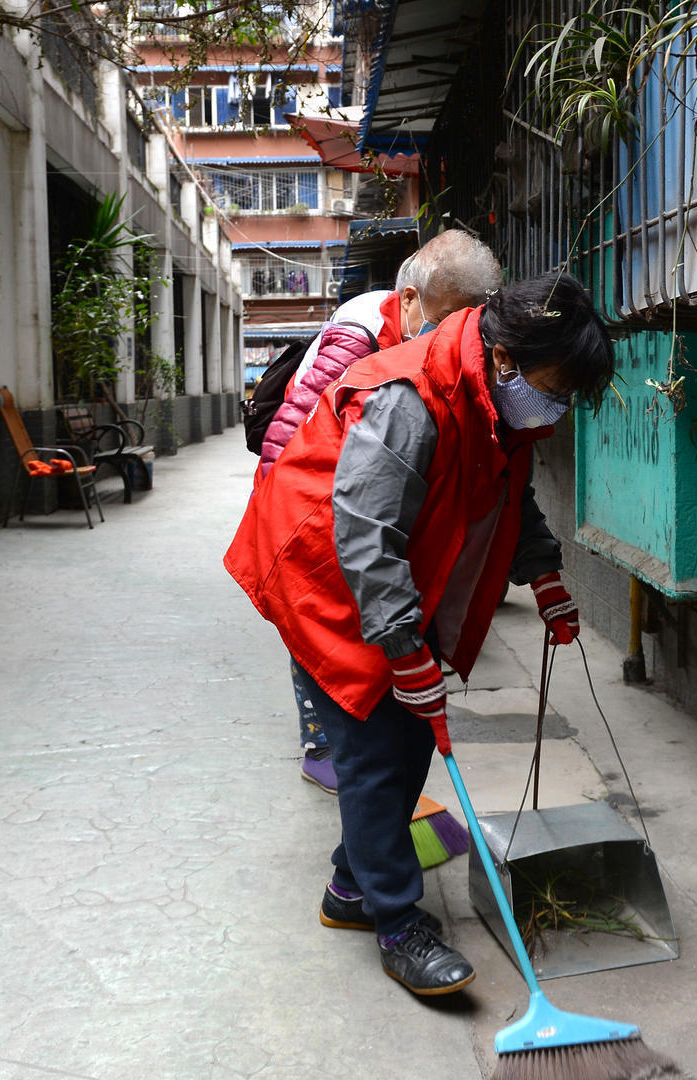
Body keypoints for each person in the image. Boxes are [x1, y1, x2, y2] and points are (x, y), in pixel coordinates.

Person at [224, 271, 613, 996]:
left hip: (382, 569)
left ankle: (350, 890)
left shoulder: (498, 401)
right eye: (553, 387)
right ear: (505, 359)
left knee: (403, 746)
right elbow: (365, 534)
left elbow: (507, 488)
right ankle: (397, 921)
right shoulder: (410, 396)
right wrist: (404, 649)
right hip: (324, 574)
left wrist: (545, 576)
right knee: (379, 749)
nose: (554, 406)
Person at [257, 230, 503, 793]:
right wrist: (298, 545)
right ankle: (321, 743)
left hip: (358, 506)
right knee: (319, 642)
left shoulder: (430, 353)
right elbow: (289, 435)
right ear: (411, 301)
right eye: (446, 323)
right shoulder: (360, 335)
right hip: (304, 507)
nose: (454, 339)